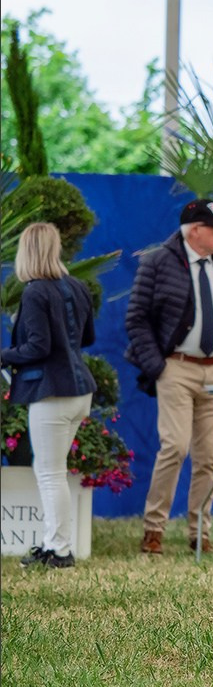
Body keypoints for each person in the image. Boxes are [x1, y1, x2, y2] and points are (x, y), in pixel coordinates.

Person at [125, 199, 213, 555]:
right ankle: (154, 528)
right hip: (176, 368)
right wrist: (158, 366)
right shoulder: (158, 263)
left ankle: (199, 533)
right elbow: (137, 319)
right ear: (195, 231)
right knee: (175, 448)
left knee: (210, 456)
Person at [2, 223, 96, 569]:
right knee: (52, 470)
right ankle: (54, 544)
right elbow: (86, 338)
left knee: (50, 472)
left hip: (51, 392)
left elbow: (37, 347)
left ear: (26, 250)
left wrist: (5, 355)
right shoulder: (77, 285)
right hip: (78, 390)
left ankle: (58, 550)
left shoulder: (35, 292)